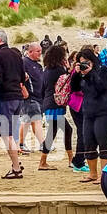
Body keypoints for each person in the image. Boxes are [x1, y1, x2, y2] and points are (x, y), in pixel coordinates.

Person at [0, 29, 26, 179]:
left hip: (6, 98)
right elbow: (23, 76)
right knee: (9, 131)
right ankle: (16, 161)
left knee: (7, 133)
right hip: (17, 97)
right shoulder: (16, 54)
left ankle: (16, 168)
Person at [76, 45, 107, 183]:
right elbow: (74, 88)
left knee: (103, 142)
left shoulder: (103, 71)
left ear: (93, 60)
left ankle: (104, 176)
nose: (84, 65)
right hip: (88, 112)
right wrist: (76, 74)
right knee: (88, 142)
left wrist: (91, 73)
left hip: (105, 111)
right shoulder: (83, 75)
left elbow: (103, 88)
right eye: (81, 62)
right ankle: (92, 174)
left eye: (86, 62)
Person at [39, 42, 71, 171]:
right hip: (55, 104)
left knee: (53, 132)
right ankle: (70, 160)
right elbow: (66, 84)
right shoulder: (59, 70)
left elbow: (42, 89)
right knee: (62, 131)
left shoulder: (46, 70)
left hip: (48, 103)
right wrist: (68, 69)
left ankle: (44, 161)